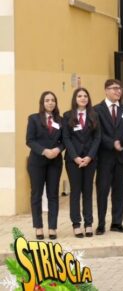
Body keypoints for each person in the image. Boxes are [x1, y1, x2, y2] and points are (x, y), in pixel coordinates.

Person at [94, 79, 123, 235]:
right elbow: (98, 134)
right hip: (104, 158)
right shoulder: (97, 110)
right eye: (114, 88)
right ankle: (101, 223)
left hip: (121, 158)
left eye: (120, 88)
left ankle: (117, 222)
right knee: (102, 191)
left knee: (119, 192)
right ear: (106, 90)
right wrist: (113, 143)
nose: (118, 91)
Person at [62, 88, 101, 238]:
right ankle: (76, 224)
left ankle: (89, 223)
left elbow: (97, 138)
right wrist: (75, 157)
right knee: (75, 192)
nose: (83, 98)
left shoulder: (94, 115)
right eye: (80, 96)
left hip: (90, 160)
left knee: (88, 191)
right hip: (73, 161)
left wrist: (89, 157)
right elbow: (66, 138)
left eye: (85, 96)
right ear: (75, 98)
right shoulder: (67, 116)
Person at [26, 91, 64, 240]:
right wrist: (44, 151)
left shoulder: (60, 120)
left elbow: (64, 140)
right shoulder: (34, 119)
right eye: (47, 100)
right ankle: (39, 227)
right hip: (37, 162)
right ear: (42, 103)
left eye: (53, 100)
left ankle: (52, 227)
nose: (50, 103)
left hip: (55, 162)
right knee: (36, 194)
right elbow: (29, 140)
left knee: (53, 194)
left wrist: (57, 149)